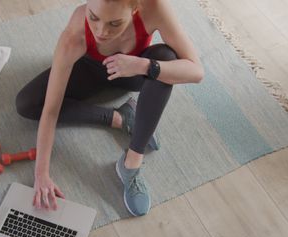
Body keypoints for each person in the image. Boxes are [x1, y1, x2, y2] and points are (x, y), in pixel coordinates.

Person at [15, 0, 204, 216]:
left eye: (115, 23)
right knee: (27, 103)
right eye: (94, 17)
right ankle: (121, 118)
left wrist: (143, 66)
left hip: (131, 72)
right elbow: (51, 109)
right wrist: (41, 174)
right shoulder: (76, 31)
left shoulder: (153, 7)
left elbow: (196, 71)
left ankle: (131, 164)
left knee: (166, 57)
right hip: (89, 70)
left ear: (135, 9)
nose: (101, 32)